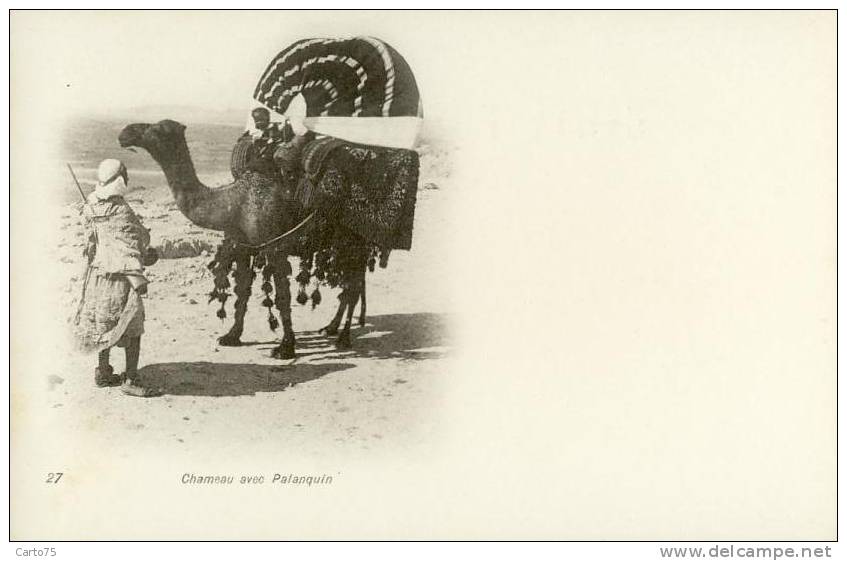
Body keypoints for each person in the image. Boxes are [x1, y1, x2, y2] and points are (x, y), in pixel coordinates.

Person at [73, 159, 160, 397]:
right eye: (126, 174)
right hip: (122, 278)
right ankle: (130, 379)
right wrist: (148, 254)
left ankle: (102, 372)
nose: (128, 178)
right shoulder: (121, 209)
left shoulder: (89, 205)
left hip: (98, 275)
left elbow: (89, 242)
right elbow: (139, 240)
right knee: (132, 327)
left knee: (104, 326)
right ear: (119, 180)